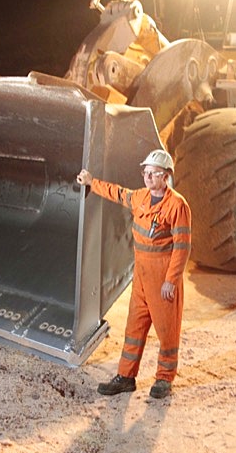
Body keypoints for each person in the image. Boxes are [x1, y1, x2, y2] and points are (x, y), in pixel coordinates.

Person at [76, 149, 191, 399]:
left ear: (166, 176)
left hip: (162, 275)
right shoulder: (140, 197)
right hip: (141, 274)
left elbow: (182, 247)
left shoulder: (177, 206)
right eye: (145, 172)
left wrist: (171, 281)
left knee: (167, 330)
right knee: (134, 326)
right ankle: (126, 376)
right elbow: (117, 193)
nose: (147, 177)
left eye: (153, 173)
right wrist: (91, 182)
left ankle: (164, 378)